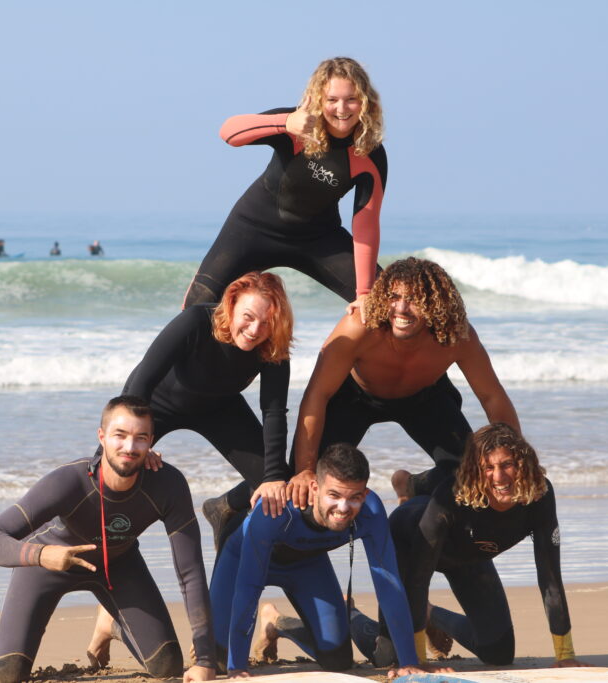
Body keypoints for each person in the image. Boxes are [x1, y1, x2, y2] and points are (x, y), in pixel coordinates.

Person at [0, 396, 216, 683]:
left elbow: (190, 573)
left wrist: (204, 660)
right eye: (120, 435)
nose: (129, 447)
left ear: (151, 441)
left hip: (119, 565)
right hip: (46, 567)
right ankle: (8, 643)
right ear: (102, 437)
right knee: (8, 675)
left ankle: (110, 624)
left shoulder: (168, 485)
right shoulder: (68, 482)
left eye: (140, 438)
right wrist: (42, 555)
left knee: (167, 666)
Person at [288, 257, 519, 508]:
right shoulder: (359, 326)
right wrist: (304, 470)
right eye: (394, 297)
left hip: (425, 398)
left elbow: (492, 397)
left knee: (471, 477)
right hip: (355, 399)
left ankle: (413, 485)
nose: (401, 308)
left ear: (435, 304)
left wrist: (518, 458)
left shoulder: (456, 334)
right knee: (309, 485)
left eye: (414, 300)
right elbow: (317, 395)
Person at [210, 443, 446, 678]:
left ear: (365, 493)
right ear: (314, 487)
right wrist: (238, 668)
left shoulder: (371, 511)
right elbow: (248, 589)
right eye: (334, 495)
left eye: (354, 497)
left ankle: (276, 623)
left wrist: (408, 662)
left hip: (307, 564)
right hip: (242, 560)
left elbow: (388, 584)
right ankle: (224, 506)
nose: (343, 508)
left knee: (338, 661)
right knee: (219, 659)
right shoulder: (277, 511)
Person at [361, 424, 588, 668]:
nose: (499, 477)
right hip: (410, 545)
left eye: (507, 464)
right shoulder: (452, 497)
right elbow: (419, 578)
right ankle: (349, 613)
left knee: (498, 652)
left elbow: (550, 576)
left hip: (468, 555)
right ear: (476, 470)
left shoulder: (538, 495)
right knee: (388, 658)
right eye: (488, 467)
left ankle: (430, 615)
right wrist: (418, 660)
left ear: (523, 463)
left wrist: (565, 655)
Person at [184, 56, 387, 316]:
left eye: (351, 99)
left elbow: (366, 225)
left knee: (383, 306)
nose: (341, 108)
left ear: (365, 101)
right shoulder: (295, 124)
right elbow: (229, 132)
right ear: (319, 99)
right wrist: (285, 123)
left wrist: (365, 295)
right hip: (253, 228)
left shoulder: (369, 153)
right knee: (197, 308)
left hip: (319, 238)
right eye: (332, 100)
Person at [122, 271, 294, 548]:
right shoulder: (196, 321)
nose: (254, 331)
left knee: (281, 487)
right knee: (117, 464)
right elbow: (142, 380)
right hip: (159, 403)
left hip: (220, 406)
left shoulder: (273, 346)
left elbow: (274, 412)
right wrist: (139, 440)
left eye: (266, 323)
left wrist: (273, 477)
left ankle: (224, 507)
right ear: (232, 304)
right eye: (248, 317)